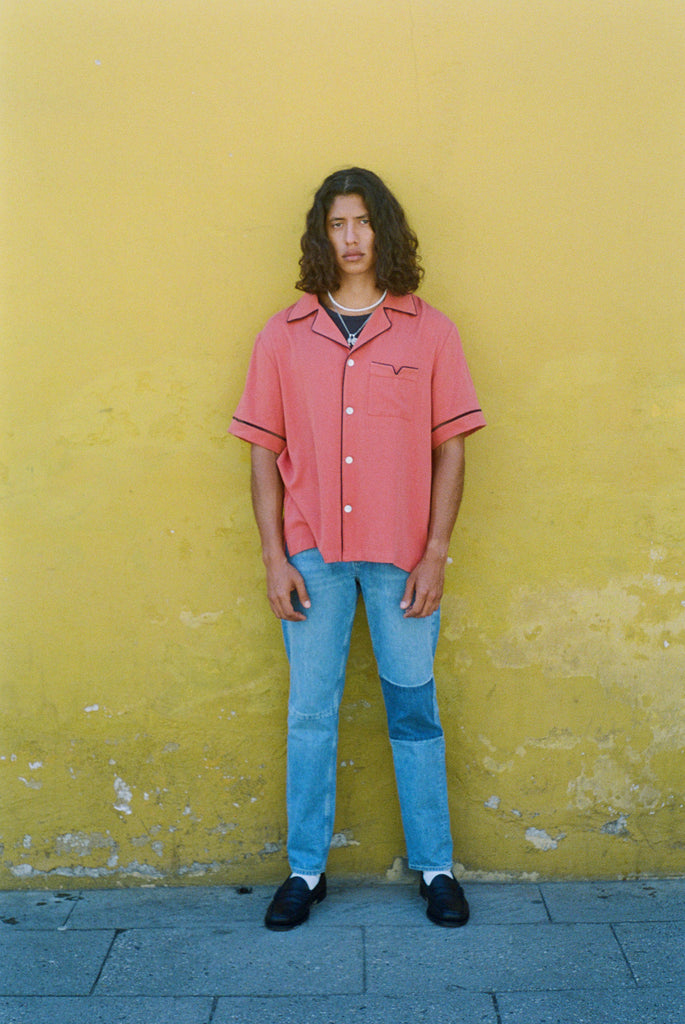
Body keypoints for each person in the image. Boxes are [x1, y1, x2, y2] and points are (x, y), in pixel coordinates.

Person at [229, 167, 485, 930]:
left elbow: (451, 450)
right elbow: (261, 454)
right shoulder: (282, 336)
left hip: (401, 555)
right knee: (311, 712)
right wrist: (274, 559)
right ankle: (305, 871)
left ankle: (435, 866)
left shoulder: (428, 332)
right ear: (321, 234)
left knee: (414, 709)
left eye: (363, 223)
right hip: (311, 556)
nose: (350, 238)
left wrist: (435, 551)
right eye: (337, 223)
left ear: (384, 232)